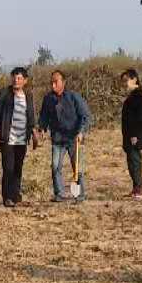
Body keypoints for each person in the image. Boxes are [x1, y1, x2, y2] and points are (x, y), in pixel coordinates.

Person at [0, 67, 39, 206]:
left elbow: (30, 115)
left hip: (22, 138)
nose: (16, 81)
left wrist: (34, 133)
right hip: (7, 137)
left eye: (19, 78)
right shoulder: (3, 94)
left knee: (18, 167)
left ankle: (16, 194)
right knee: (8, 167)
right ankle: (7, 197)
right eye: (14, 78)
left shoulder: (28, 95)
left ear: (25, 80)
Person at [38, 69, 91, 202]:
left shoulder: (74, 97)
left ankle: (80, 195)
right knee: (55, 166)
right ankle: (59, 193)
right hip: (57, 139)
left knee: (77, 168)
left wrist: (81, 132)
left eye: (56, 82)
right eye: (51, 82)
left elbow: (85, 116)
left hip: (73, 138)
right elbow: (44, 116)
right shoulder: (48, 99)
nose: (53, 85)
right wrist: (42, 129)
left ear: (64, 82)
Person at [119, 68, 142, 198]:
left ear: (134, 79)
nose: (124, 83)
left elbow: (140, 117)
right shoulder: (132, 95)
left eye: (126, 80)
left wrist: (135, 135)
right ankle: (135, 187)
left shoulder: (138, 95)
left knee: (135, 161)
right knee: (131, 161)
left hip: (134, 135)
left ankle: (139, 188)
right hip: (128, 134)